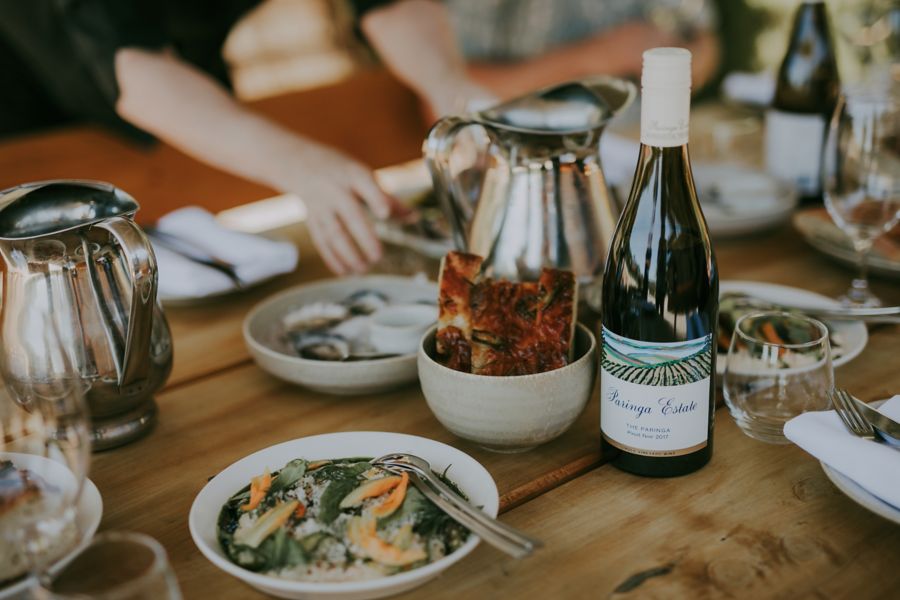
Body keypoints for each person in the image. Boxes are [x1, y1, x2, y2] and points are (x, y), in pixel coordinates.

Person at [0, 0, 490, 275]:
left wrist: (452, 89)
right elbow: (132, 71)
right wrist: (301, 165)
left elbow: (390, 4)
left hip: (185, 83)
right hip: (30, 117)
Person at [445, 0, 721, 98]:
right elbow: (449, 90)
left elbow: (706, 43)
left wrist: (682, 63)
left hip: (641, 150)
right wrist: (596, 57)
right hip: (530, 165)